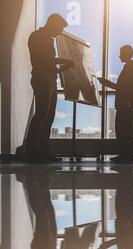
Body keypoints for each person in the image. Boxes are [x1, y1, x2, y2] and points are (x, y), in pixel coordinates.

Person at [25, 14, 74, 163]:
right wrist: (65, 61)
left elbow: (50, 65)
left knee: (49, 116)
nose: (60, 32)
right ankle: (32, 151)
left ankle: (42, 151)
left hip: (50, 80)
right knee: (42, 114)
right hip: (42, 79)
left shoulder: (48, 39)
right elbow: (45, 61)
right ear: (52, 23)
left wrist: (63, 68)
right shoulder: (37, 36)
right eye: (59, 28)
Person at [98, 45, 133, 163]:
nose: (119, 56)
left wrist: (106, 83)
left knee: (123, 129)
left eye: (121, 53)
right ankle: (126, 155)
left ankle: (125, 155)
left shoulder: (131, 67)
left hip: (126, 104)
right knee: (125, 129)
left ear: (127, 53)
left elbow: (122, 88)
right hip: (128, 103)